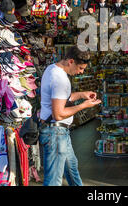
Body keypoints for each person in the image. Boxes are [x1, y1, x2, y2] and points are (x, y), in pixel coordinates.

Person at [38, 46, 102, 186]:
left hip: (59, 133)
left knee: (72, 169)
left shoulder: (51, 69)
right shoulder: (61, 79)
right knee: (53, 180)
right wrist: (84, 105)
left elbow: (59, 99)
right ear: (71, 61)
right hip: (56, 133)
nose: (81, 72)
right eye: (80, 68)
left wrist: (81, 94)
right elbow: (59, 114)